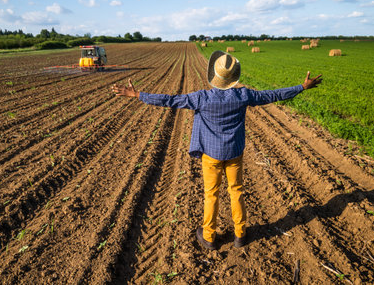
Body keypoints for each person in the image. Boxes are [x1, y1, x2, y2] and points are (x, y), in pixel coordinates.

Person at [112, 50, 322, 250]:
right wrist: (301, 87)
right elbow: (272, 95)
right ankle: (240, 234)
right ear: (234, 78)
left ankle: (209, 236)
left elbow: (170, 100)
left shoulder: (202, 98)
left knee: (211, 195)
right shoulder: (243, 95)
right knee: (236, 191)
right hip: (234, 153)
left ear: (214, 75)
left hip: (210, 154)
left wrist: (137, 94)